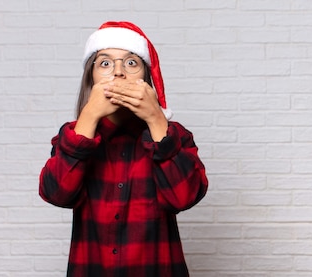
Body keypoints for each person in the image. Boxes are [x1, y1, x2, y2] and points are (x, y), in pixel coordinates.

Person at [39, 21, 209, 277]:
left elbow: (185, 197)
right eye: (105, 63)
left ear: (145, 80)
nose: (119, 72)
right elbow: (56, 194)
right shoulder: (73, 136)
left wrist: (155, 119)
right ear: (91, 78)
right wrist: (88, 118)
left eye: (131, 63)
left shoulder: (173, 136)